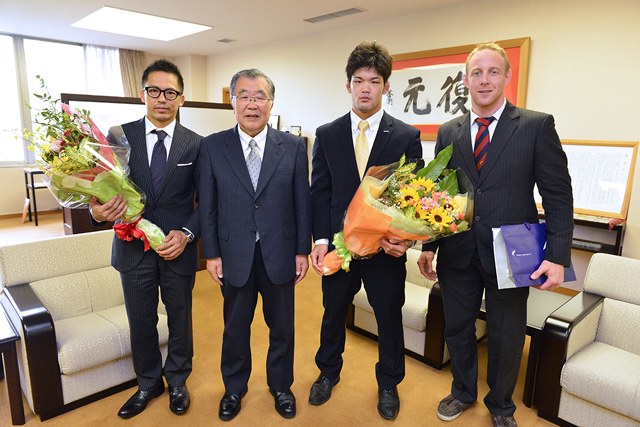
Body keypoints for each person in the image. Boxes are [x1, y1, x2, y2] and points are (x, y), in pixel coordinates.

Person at [417, 42, 573, 427]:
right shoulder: (449, 130)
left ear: (506, 76)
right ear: (465, 80)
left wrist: (557, 255)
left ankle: (501, 405)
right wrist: (429, 246)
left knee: (506, 334)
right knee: (457, 327)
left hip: (512, 251)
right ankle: (463, 391)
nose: (484, 80)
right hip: (458, 249)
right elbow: (442, 192)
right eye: (476, 73)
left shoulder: (536, 125)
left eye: (492, 72)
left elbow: (557, 193)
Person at [309, 41, 422, 420]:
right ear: (348, 84)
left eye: (374, 81)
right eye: (358, 80)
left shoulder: (405, 135)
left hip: (383, 249)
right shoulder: (327, 133)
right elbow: (320, 190)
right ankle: (327, 373)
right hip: (339, 248)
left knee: (389, 316)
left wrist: (403, 239)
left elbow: (413, 197)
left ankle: (389, 384)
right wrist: (322, 242)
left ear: (386, 86)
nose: (365, 89)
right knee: (332, 312)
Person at [90, 59, 201, 418]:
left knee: (180, 318)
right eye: (154, 91)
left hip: (175, 249)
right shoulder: (118, 136)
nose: (162, 99)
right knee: (141, 319)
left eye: (170, 92)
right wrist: (96, 212)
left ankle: (178, 381)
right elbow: (98, 192)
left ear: (181, 98)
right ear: (143, 94)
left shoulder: (196, 144)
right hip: (132, 247)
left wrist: (186, 234)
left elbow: (206, 203)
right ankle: (148, 382)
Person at [199, 69, 312, 421]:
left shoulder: (292, 147)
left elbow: (301, 203)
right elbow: (208, 205)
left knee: (282, 328)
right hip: (233, 255)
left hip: (279, 253)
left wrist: (301, 251)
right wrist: (212, 254)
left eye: (259, 96)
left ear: (271, 103)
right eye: (244, 96)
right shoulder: (213, 145)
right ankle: (234, 389)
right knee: (235, 328)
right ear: (232, 102)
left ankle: (281, 386)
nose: (252, 104)